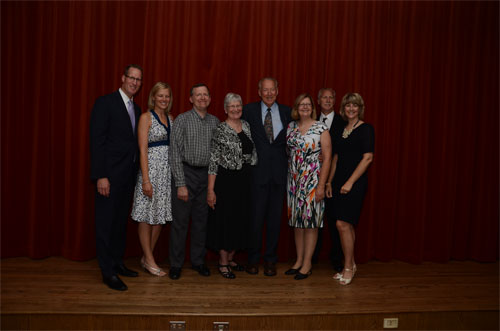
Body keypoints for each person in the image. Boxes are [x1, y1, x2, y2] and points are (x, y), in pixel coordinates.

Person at [89, 64, 143, 291]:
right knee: (105, 224)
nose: (134, 82)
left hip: (127, 177)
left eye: (138, 80)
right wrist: (101, 175)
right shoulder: (105, 103)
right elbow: (97, 141)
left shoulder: (137, 109)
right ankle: (107, 272)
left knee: (120, 224)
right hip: (108, 178)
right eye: (131, 78)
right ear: (122, 78)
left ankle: (117, 263)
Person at [168, 83, 220, 280]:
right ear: (191, 98)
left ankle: (198, 261)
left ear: (209, 98)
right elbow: (174, 153)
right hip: (186, 174)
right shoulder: (181, 120)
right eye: (198, 95)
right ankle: (176, 264)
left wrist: (211, 186)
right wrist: (180, 183)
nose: (202, 98)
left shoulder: (215, 122)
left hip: (206, 176)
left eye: (205, 94)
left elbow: (216, 156)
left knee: (201, 222)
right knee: (180, 223)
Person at [242, 77, 292, 276]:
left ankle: (270, 260)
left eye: (272, 90)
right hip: (256, 175)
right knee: (255, 220)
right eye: (265, 90)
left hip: (280, 176)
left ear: (277, 91)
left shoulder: (289, 112)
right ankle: (253, 259)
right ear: (259, 91)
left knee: (274, 220)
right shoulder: (248, 111)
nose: (269, 93)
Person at [206, 93, 258, 279]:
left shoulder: (246, 125)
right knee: (225, 220)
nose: (235, 109)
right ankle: (222, 261)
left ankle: (231, 257)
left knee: (240, 219)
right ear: (225, 109)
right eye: (232, 106)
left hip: (244, 180)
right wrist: (211, 190)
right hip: (226, 180)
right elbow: (213, 160)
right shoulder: (220, 129)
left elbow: (250, 152)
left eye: (238, 106)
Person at [326, 93, 374, 285]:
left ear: (360, 108)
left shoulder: (366, 129)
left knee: (342, 224)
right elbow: (336, 159)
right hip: (338, 183)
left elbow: (368, 158)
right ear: (343, 108)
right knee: (347, 226)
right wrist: (329, 182)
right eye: (348, 106)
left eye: (355, 105)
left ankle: (347, 268)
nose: (351, 109)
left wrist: (350, 182)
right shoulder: (341, 129)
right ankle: (351, 264)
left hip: (354, 183)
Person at [285, 93, 332, 280]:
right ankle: (298, 261)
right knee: (297, 222)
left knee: (311, 223)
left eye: (308, 104)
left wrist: (321, 185)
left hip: (313, 181)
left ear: (313, 108)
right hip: (294, 182)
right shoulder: (291, 127)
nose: (305, 107)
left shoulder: (321, 128)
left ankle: (307, 264)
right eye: (301, 104)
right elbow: (288, 153)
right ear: (296, 107)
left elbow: (327, 157)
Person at [131, 82, 174, 277]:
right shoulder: (145, 118)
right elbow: (142, 150)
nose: (163, 99)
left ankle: (146, 258)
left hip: (166, 174)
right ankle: (149, 259)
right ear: (153, 97)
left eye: (166, 96)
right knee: (146, 216)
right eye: (160, 96)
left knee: (159, 217)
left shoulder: (171, 119)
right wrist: (146, 180)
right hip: (150, 173)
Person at [312, 88, 346, 272]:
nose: (327, 100)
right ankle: (312, 256)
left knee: (334, 219)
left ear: (335, 100)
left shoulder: (343, 122)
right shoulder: (309, 118)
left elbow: (344, 150)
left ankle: (337, 259)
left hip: (335, 178)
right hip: (311, 176)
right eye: (323, 97)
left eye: (331, 97)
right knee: (313, 219)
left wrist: (329, 156)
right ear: (318, 100)